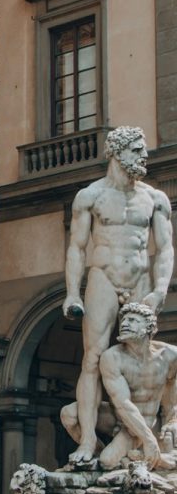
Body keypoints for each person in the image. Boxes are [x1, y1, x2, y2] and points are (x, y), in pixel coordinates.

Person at [62, 127, 174, 464]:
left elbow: (166, 248)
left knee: (145, 355)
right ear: (117, 152)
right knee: (93, 359)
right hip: (103, 279)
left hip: (139, 278)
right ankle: (86, 442)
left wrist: (159, 289)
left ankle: (153, 435)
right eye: (137, 150)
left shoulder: (155, 198)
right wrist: (71, 293)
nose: (144, 156)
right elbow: (77, 248)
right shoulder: (90, 196)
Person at [98, 303, 177, 470]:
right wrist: (149, 440)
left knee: (107, 461)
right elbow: (122, 403)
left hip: (141, 422)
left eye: (132, 320)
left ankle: (150, 459)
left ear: (150, 328)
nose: (125, 324)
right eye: (123, 320)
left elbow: (172, 386)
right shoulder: (112, 357)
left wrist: (173, 420)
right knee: (69, 414)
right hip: (119, 415)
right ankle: (96, 456)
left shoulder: (170, 355)